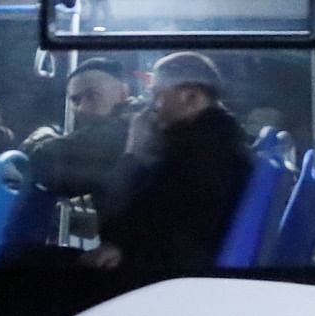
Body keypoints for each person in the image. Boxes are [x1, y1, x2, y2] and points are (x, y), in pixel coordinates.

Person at [90, 52, 253, 273]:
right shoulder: (220, 141)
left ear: (191, 97)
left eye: (158, 94)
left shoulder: (194, 155)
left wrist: (133, 152)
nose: (153, 106)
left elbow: (118, 223)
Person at [19, 57, 140, 204]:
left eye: (92, 95)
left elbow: (43, 161)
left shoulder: (132, 128)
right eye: (76, 101)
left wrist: (40, 140)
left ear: (123, 92)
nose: (81, 108)